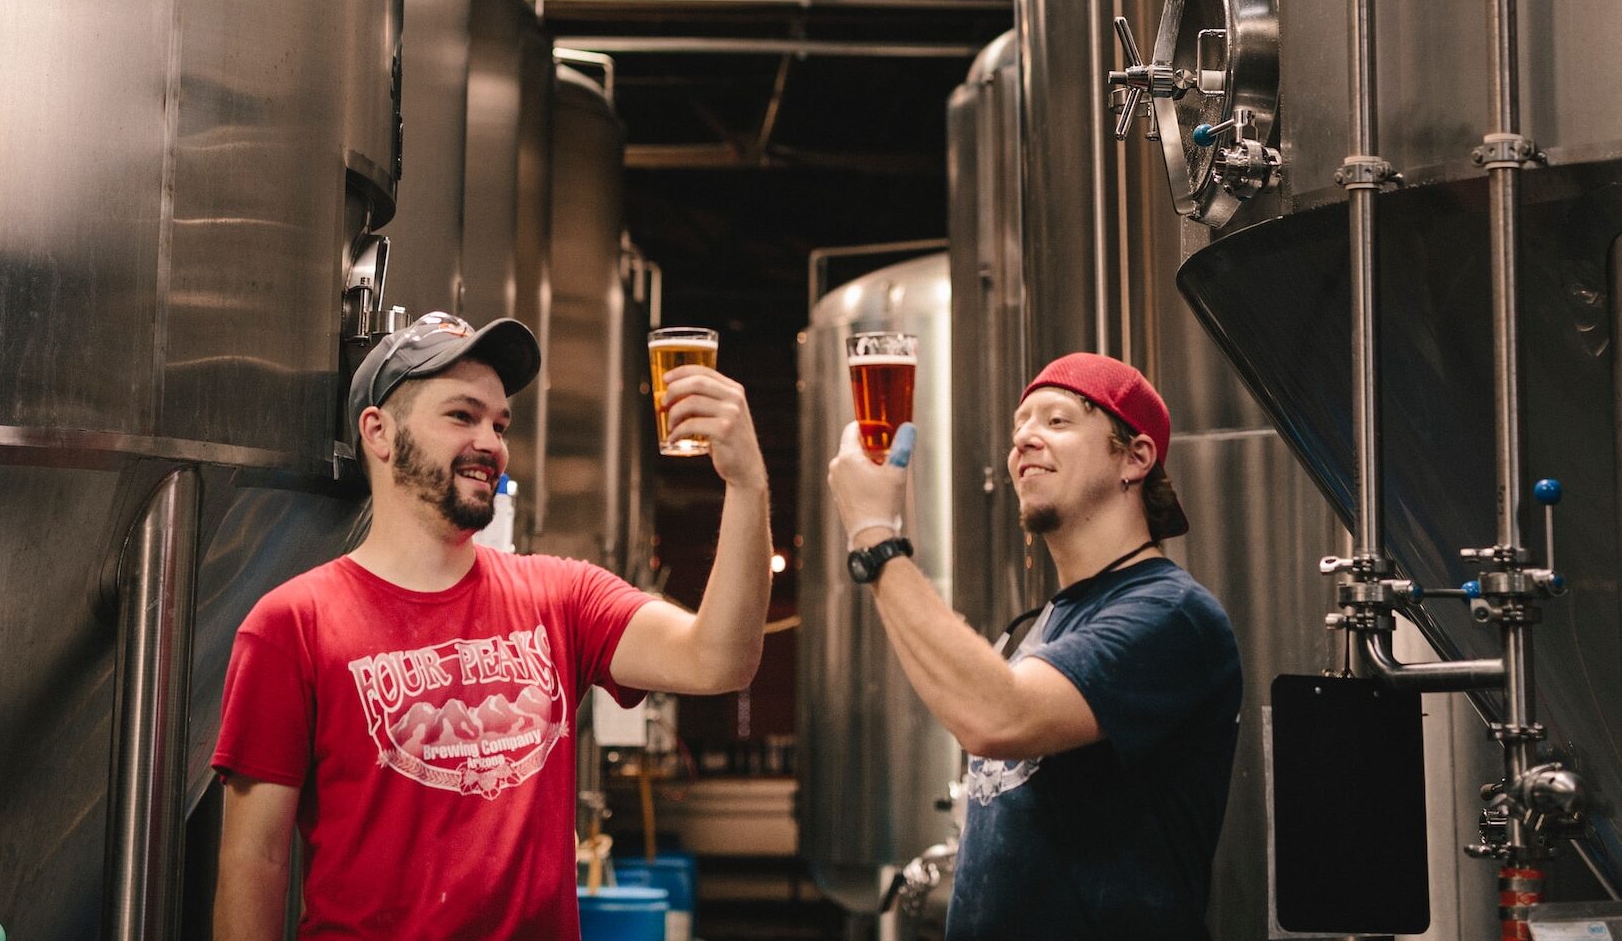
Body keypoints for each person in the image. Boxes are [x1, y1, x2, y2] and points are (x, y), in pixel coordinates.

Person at [212, 310, 772, 940]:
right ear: (379, 432)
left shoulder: (562, 596)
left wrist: (747, 483)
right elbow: (254, 863)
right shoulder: (291, 626)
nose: (492, 442)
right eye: (462, 416)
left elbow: (720, 658)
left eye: (499, 423)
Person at [826, 352, 1241, 941]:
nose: (1024, 439)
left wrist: (876, 536)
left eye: (1057, 421)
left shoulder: (1170, 614)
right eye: (1020, 425)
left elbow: (997, 717)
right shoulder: (1045, 623)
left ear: (1136, 457)